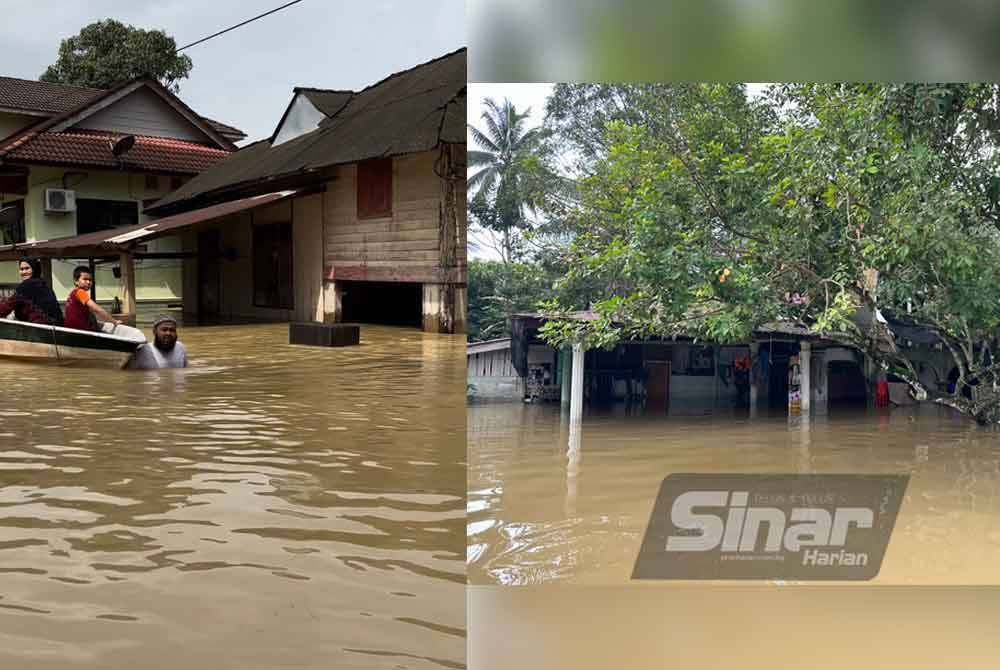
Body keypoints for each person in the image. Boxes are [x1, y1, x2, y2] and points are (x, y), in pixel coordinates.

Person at [64, 265, 145, 342]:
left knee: (92, 317)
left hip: (71, 330)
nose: (88, 282)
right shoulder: (80, 292)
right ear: (76, 281)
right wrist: (113, 321)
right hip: (80, 332)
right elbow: (97, 309)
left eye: (90, 280)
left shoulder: (72, 293)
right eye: (85, 279)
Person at [0, 258, 64, 326]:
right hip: (56, 329)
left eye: (27, 268)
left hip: (40, 330)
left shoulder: (26, 286)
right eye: (21, 269)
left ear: (34, 269)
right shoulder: (43, 285)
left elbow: (7, 306)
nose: (24, 272)